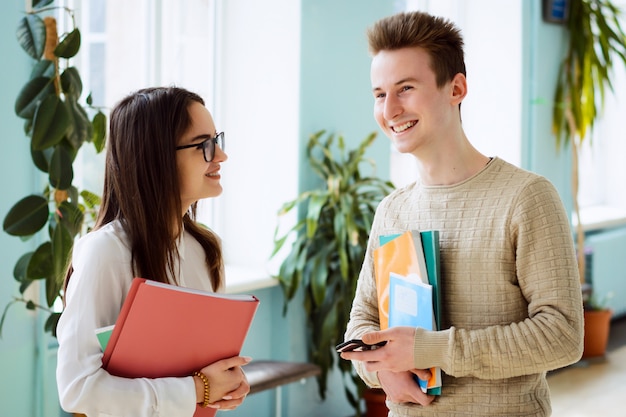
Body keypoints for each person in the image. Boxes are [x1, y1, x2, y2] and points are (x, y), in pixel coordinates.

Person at [341, 11, 584, 417]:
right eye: (380, 94)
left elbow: (563, 335)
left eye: (406, 88)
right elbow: (361, 323)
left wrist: (429, 349)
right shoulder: (392, 209)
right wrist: (381, 371)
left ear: (456, 89)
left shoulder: (526, 197)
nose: (391, 109)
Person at [56, 86, 251, 416]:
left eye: (217, 140)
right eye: (204, 145)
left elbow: (206, 371)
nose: (220, 156)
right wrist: (197, 389)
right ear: (156, 156)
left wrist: (227, 383)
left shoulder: (205, 250)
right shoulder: (104, 253)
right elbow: (77, 389)